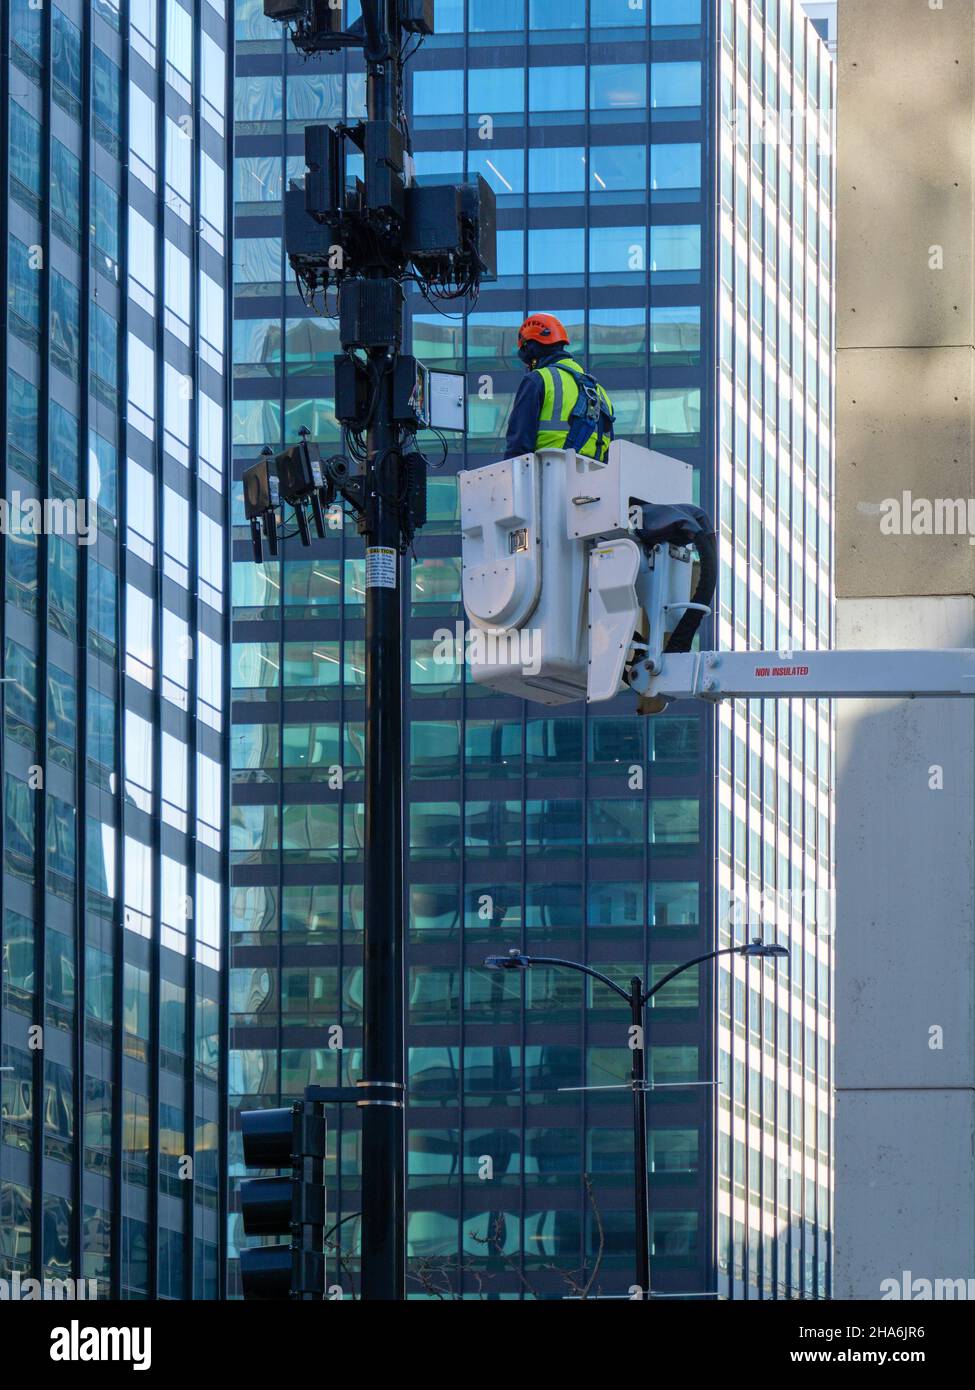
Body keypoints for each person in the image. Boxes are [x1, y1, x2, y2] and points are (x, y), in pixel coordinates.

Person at [505, 313, 616, 462]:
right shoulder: (599, 393)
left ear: (531, 350)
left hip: (547, 477)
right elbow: (609, 453)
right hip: (594, 481)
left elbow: (518, 446)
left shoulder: (538, 379)